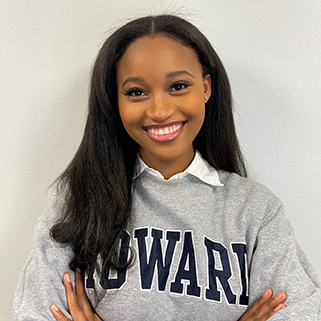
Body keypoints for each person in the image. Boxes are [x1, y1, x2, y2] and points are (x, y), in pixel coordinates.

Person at [13, 15, 321, 321]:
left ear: (206, 87)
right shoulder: (75, 198)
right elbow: (34, 313)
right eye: (136, 92)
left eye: (178, 86)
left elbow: (303, 311)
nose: (159, 110)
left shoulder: (256, 210)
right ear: (114, 100)